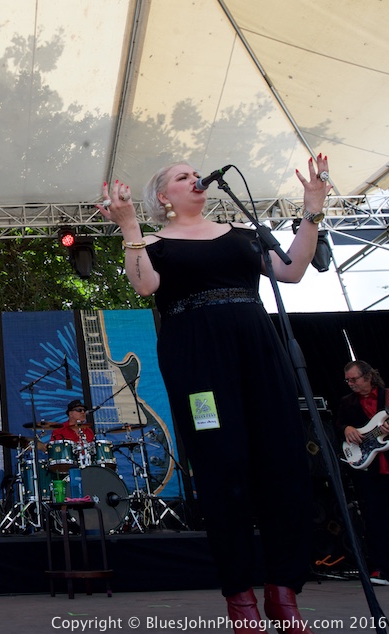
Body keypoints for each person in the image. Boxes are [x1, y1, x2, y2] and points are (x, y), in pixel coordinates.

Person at [95, 155, 330, 634]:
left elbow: (290, 272)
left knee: (284, 464)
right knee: (224, 468)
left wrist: (312, 208)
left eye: (194, 173)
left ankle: (283, 590)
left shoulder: (241, 233)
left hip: (258, 351)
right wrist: (129, 226)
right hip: (197, 362)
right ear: (164, 196)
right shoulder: (154, 243)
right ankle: (240, 596)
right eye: (181, 177)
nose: (194, 178)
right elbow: (144, 286)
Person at [337, 360, 389, 585]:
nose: (350, 383)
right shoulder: (346, 402)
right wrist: (347, 429)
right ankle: (381, 569)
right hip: (369, 468)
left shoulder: (387, 396)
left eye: (354, 379)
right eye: (347, 380)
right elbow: (338, 427)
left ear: (368, 376)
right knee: (375, 519)